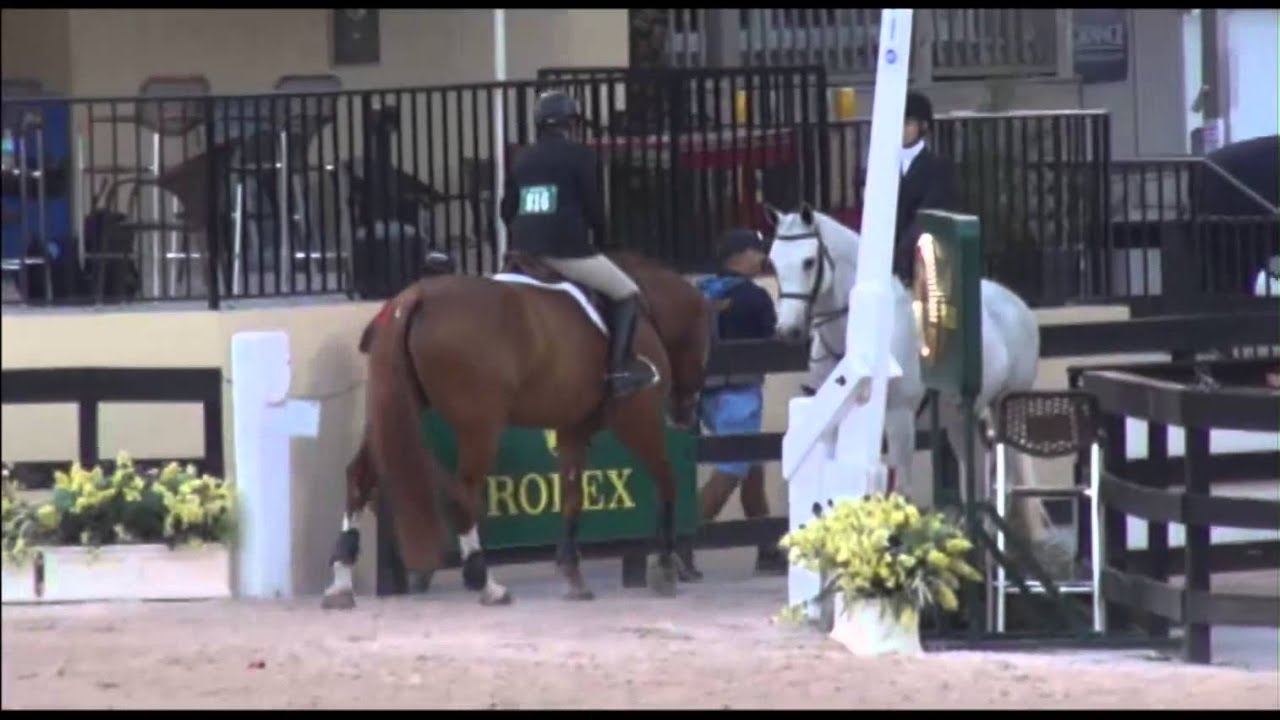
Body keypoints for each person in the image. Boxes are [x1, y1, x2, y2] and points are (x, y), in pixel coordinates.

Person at [499, 90, 652, 398]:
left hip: (522, 251)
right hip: (564, 250)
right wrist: (603, 241)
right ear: (571, 122)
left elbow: (507, 208)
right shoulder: (581, 155)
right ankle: (618, 371)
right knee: (627, 293)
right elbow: (593, 207)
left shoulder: (522, 157)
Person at [695, 229, 787, 575]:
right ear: (740, 256)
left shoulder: (701, 291)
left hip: (703, 397)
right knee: (732, 471)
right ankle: (679, 545)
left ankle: (767, 549)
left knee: (751, 469)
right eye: (757, 251)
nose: (762, 257)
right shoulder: (755, 297)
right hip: (740, 397)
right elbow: (776, 342)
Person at [891, 91, 957, 286]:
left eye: (907, 123)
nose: (901, 129)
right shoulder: (883, 166)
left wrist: (903, 248)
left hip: (923, 256)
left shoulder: (938, 167)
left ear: (923, 126)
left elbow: (928, 212)